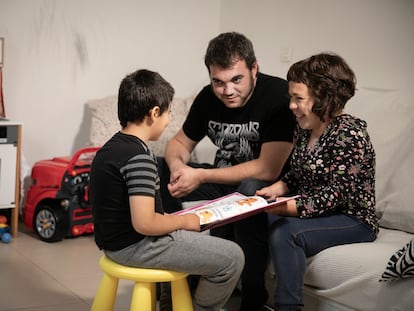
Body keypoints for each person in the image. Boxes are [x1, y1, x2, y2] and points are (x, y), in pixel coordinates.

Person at [158, 32, 295, 311]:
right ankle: (178, 279)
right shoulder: (209, 98)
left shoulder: (278, 97)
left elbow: (269, 168)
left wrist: (201, 175)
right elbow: (179, 143)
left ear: (254, 69)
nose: (227, 91)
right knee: (159, 169)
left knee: (248, 188)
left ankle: (254, 299)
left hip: (268, 187)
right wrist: (178, 168)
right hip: (223, 178)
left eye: (236, 80)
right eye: (218, 82)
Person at [89, 69, 244, 311]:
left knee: (187, 240)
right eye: (168, 112)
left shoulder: (110, 148)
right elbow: (145, 224)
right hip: (136, 247)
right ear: (154, 113)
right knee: (233, 257)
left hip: (114, 243)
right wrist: (183, 222)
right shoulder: (138, 157)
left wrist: (173, 221)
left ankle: (169, 306)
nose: (170, 119)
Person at [255, 53, 379, 310]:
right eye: (291, 97)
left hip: (351, 218)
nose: (291, 105)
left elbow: (336, 194)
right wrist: (277, 188)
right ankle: (250, 293)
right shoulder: (303, 127)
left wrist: (287, 208)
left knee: (286, 230)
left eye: (298, 98)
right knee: (250, 196)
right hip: (314, 209)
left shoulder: (349, 133)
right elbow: (296, 173)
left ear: (324, 98)